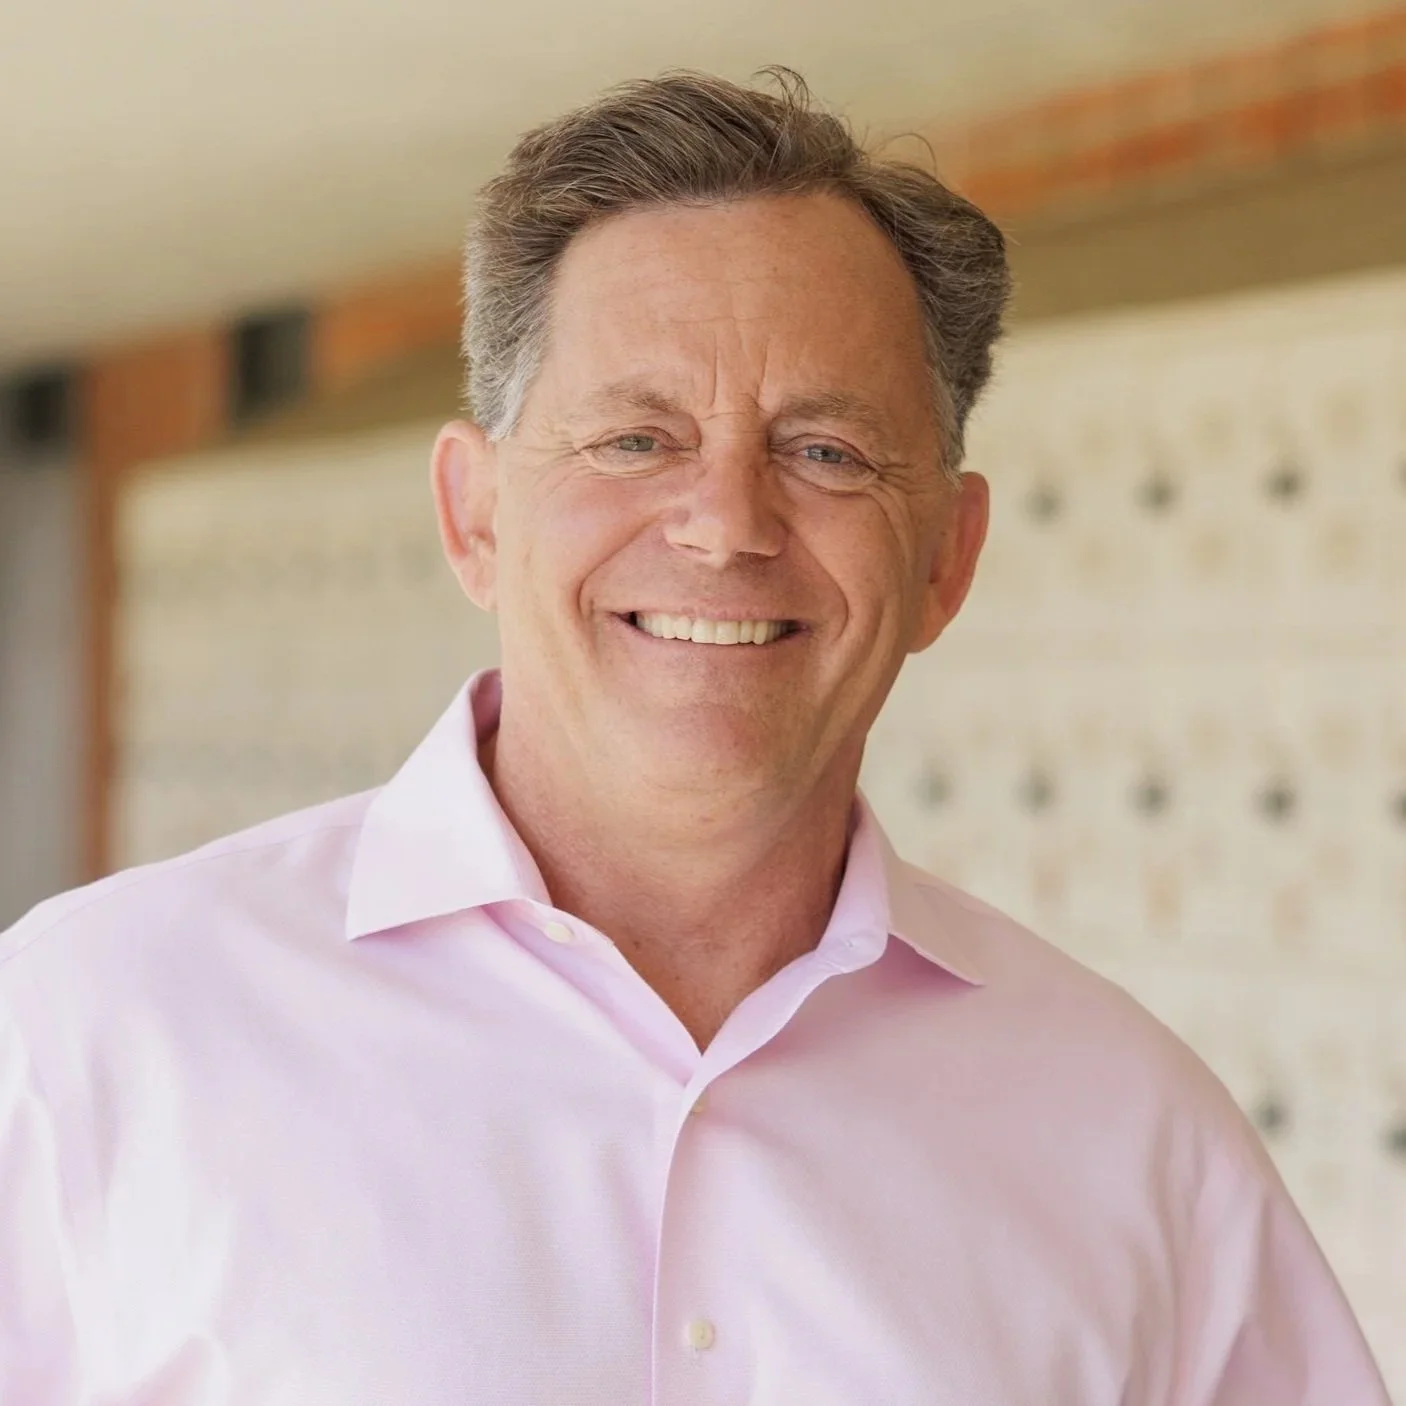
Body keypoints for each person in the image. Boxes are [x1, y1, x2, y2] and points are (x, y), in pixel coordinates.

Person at [0, 68, 1390, 1406]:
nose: (727, 524)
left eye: (825, 451)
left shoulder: (1137, 1138)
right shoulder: (89, 1030)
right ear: (476, 516)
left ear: (946, 561)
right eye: (633, 440)